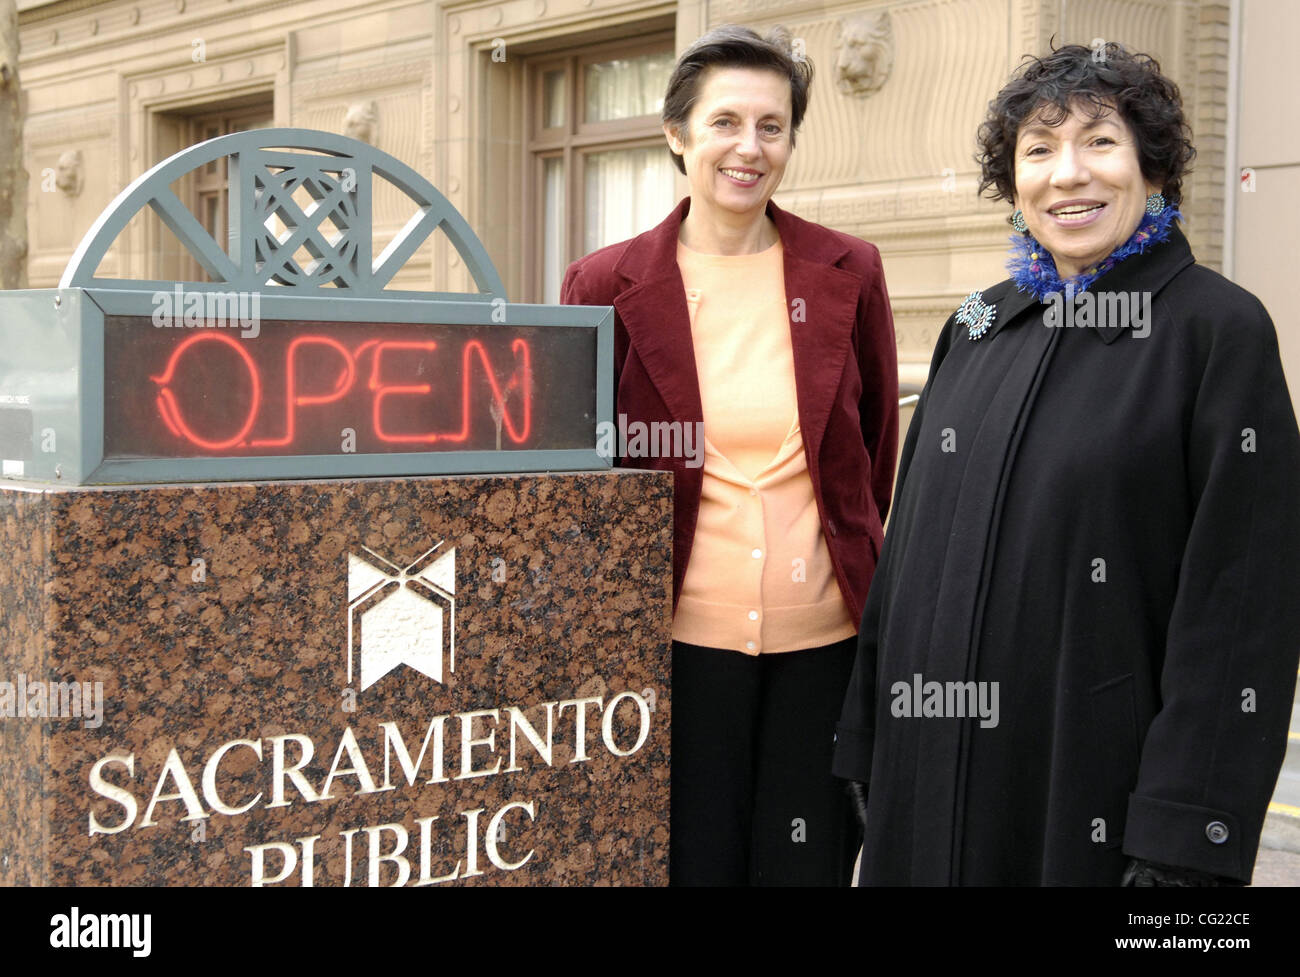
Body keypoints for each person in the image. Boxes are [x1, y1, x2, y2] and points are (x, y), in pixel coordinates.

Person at [834, 41, 1300, 886]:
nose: (1067, 174)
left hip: (1098, 816)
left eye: (1100, 142)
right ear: (1014, 185)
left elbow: (1242, 614)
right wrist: (866, 752)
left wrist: (1186, 844)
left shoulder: (1217, 333)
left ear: (1152, 169)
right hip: (923, 798)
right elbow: (905, 563)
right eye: (1039, 151)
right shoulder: (975, 324)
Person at [561, 24, 898, 885]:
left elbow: (871, 451)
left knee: (808, 863)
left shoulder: (848, 269)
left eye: (772, 125)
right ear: (677, 135)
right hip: (675, 643)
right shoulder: (604, 282)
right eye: (725, 123)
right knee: (690, 862)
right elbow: (580, 475)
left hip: (824, 647)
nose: (749, 148)